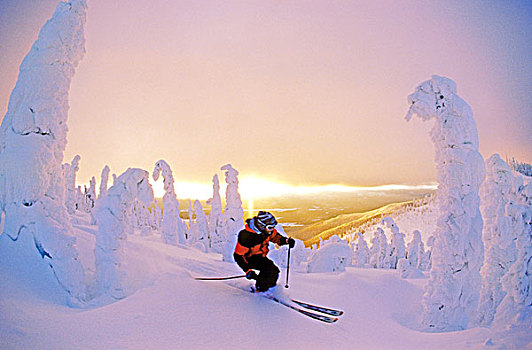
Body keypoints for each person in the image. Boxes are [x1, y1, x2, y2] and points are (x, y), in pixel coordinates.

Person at [233, 211, 295, 293]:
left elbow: (276, 238)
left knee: (274, 271)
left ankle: (269, 289)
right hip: (248, 259)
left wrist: (286, 241)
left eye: (273, 227)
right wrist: (248, 270)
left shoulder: (267, 232)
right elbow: (238, 256)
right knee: (267, 270)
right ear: (262, 225)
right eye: (270, 227)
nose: (272, 229)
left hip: (260, 257)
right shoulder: (246, 236)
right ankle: (261, 290)